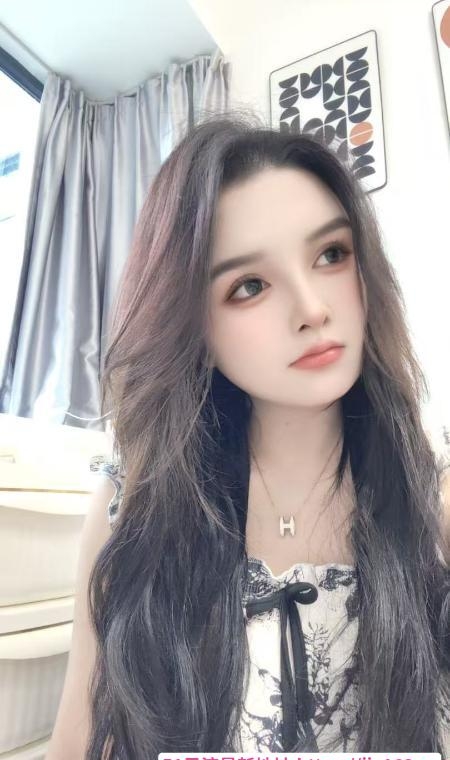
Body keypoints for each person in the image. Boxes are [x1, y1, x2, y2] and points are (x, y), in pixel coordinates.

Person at [46, 112, 450, 759]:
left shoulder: (429, 493)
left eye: (331, 254)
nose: (312, 308)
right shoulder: (138, 501)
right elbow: (77, 742)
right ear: (193, 326)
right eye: (250, 286)